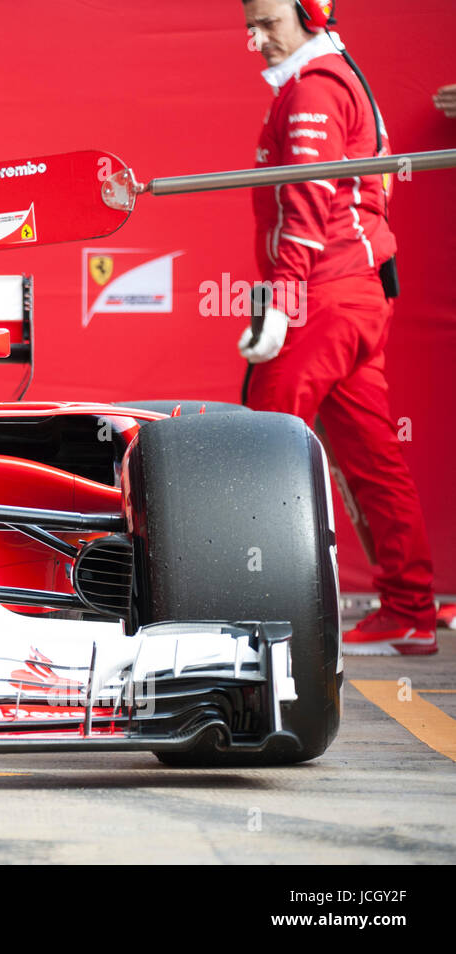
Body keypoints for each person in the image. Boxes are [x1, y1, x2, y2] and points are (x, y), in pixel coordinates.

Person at [236, 0, 437, 655]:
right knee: (371, 457)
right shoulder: (334, 76)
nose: (254, 38)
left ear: (311, 14)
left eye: (268, 22)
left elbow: (305, 200)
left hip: (324, 294)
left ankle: (259, 617)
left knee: (260, 445)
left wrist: (284, 298)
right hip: (356, 291)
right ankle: (409, 610)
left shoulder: (315, 89)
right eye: (249, 24)